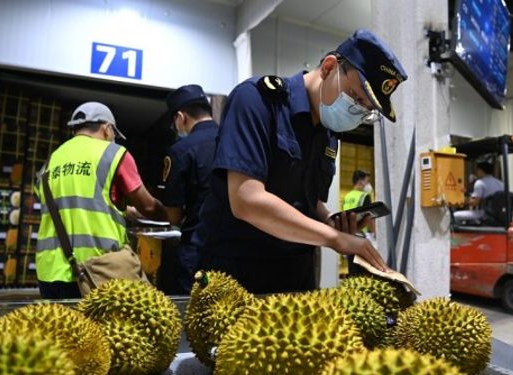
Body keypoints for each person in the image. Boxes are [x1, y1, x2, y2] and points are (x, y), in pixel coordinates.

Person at [192, 29, 407, 294]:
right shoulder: (257, 100)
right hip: (236, 276)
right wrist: (335, 239)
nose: (358, 111)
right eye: (357, 96)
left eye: (367, 109)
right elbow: (246, 200)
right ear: (329, 67)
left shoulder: (328, 135)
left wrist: (331, 220)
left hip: (296, 275)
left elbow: (309, 201)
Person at [35, 102, 167, 299]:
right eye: (114, 134)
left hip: (48, 273)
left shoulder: (51, 161)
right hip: (96, 271)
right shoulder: (113, 154)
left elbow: (69, 205)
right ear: (107, 129)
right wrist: (170, 214)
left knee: (61, 329)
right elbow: (147, 206)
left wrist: (124, 210)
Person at [157, 85, 218, 294]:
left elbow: (173, 215)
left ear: (181, 117)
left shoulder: (181, 151)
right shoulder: (234, 140)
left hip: (197, 251)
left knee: (193, 316)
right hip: (234, 250)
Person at [342, 169, 375, 236]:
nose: (368, 184)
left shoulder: (346, 196)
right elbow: (369, 219)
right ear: (360, 182)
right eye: (367, 181)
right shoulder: (364, 196)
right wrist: (377, 234)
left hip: (347, 233)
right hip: (360, 233)